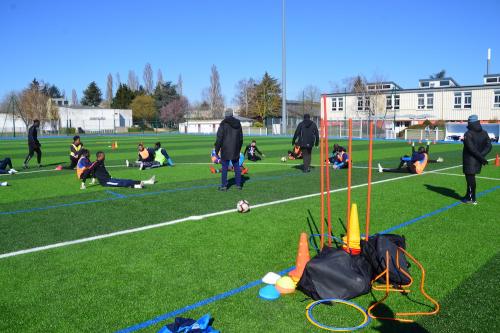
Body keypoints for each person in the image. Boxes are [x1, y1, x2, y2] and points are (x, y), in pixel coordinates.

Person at [461, 114, 492, 204]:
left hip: (470, 160)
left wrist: (481, 157)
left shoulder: (468, 133)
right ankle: (468, 195)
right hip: (477, 160)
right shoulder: (484, 132)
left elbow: (471, 149)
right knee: (470, 179)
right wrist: (482, 156)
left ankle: (472, 199)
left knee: (470, 179)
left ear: (470, 123)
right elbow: (489, 146)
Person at [88, 151, 155, 189]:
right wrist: (83, 183)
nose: (105, 156)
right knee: (121, 183)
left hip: (109, 179)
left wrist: (108, 176)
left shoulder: (101, 162)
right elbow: (89, 170)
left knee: (126, 180)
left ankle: (148, 182)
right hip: (106, 182)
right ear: (100, 156)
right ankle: (138, 186)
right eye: (103, 155)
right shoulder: (95, 163)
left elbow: (99, 172)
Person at [214, 110, 243, 191]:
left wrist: (216, 151)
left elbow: (219, 139)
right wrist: (239, 148)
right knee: (237, 167)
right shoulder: (238, 124)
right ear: (232, 115)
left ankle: (224, 185)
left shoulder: (223, 124)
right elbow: (241, 138)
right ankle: (238, 185)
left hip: (225, 149)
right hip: (235, 149)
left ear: (225, 115)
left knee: (224, 167)